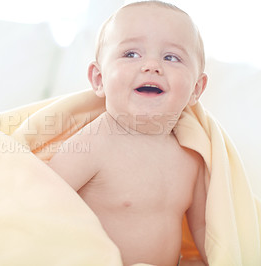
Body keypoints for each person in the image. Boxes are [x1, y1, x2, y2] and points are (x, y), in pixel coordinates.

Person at [48, 1, 209, 266]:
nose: (152, 66)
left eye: (171, 57)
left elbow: (203, 228)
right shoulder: (94, 142)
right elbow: (39, 203)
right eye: (131, 54)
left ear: (196, 89)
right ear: (99, 79)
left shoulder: (193, 156)